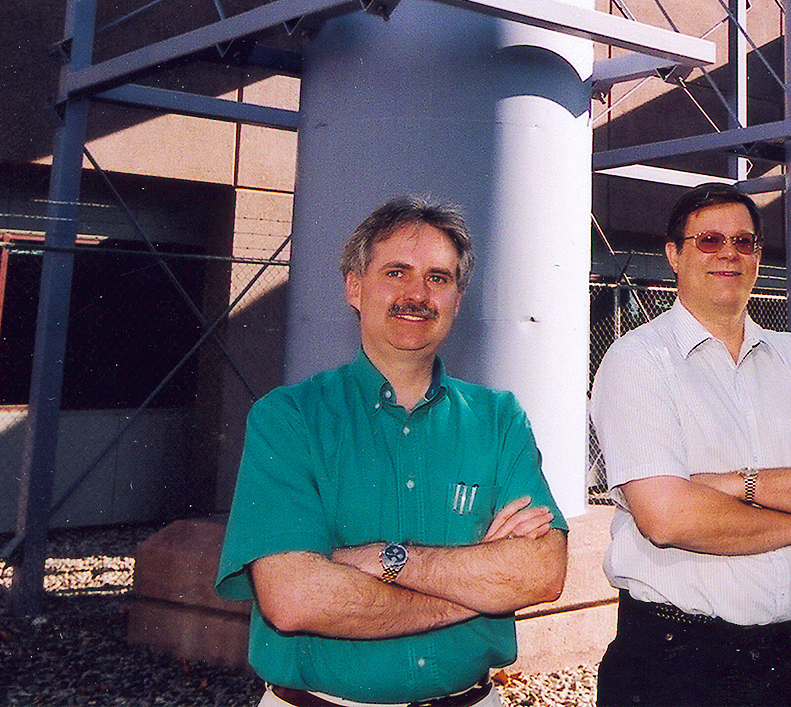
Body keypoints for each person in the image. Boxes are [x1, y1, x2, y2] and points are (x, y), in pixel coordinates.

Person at [216, 196, 567, 707]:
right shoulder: (288, 418)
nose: (417, 294)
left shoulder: (498, 418)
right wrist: (474, 590)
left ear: (457, 298)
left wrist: (385, 560)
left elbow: (542, 573)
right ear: (354, 288)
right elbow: (294, 598)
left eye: (438, 278)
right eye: (396, 272)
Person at [589, 182, 791, 707]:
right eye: (708, 240)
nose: (729, 252)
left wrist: (733, 484)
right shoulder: (637, 361)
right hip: (674, 662)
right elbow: (669, 519)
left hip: (789, 656)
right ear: (674, 255)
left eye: (744, 241)